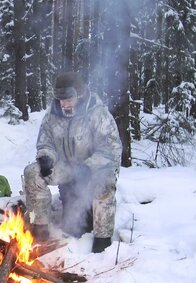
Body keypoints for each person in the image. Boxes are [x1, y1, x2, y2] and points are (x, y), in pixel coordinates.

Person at [23, 72, 122, 253]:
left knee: (105, 184)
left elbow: (111, 149)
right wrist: (46, 157)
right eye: (60, 99)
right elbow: (45, 142)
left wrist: (89, 166)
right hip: (67, 168)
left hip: (95, 169)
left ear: (80, 94)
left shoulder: (97, 114)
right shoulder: (52, 116)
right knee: (32, 173)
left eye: (68, 98)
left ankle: (102, 241)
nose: (64, 103)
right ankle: (40, 229)